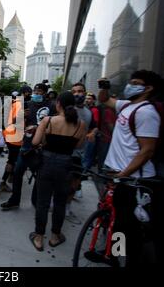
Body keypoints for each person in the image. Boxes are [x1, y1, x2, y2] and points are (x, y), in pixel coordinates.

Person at [98, 71, 163, 266]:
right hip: (118, 175)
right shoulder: (127, 105)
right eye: (130, 82)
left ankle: (127, 260)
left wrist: (123, 175)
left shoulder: (146, 113)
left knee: (129, 228)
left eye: (136, 83)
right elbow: (105, 101)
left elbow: (147, 151)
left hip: (133, 180)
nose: (130, 85)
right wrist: (104, 86)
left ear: (148, 88)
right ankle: (115, 255)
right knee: (117, 219)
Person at [29, 92, 86, 251]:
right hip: (66, 164)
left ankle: (39, 237)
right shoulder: (80, 124)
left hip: (46, 163)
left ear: (58, 104)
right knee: (60, 203)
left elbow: (35, 142)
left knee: (43, 203)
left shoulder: (48, 121)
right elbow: (79, 146)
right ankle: (55, 236)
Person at [1, 83, 56, 211]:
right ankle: (14, 200)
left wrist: (39, 129)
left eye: (39, 91)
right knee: (17, 173)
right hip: (25, 146)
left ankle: (36, 200)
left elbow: (53, 126)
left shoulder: (50, 107)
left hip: (41, 148)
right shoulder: (28, 104)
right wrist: (21, 116)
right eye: (35, 91)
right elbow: (14, 122)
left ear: (45, 93)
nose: (36, 93)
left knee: (39, 176)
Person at [66, 83, 97, 224]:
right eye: (74, 91)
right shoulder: (66, 110)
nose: (77, 94)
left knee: (73, 184)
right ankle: (56, 205)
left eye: (80, 91)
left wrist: (91, 133)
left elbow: (94, 127)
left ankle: (67, 209)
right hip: (63, 152)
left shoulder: (89, 112)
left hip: (79, 154)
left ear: (85, 93)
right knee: (60, 183)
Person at [0, 86, 32, 197]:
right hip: (15, 137)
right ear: (24, 93)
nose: (29, 95)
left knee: (13, 159)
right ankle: (3, 181)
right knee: (12, 160)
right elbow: (13, 120)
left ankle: (8, 177)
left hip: (10, 135)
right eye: (28, 93)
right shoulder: (20, 105)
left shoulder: (13, 103)